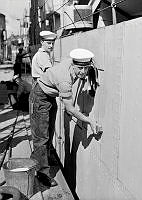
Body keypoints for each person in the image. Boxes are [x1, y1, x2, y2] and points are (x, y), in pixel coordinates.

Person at [29, 48, 103, 187]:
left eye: (85, 68)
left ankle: (40, 158)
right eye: (80, 68)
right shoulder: (65, 81)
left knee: (49, 132)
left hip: (49, 95)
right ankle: (42, 175)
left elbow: (92, 64)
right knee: (41, 137)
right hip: (40, 98)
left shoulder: (73, 62)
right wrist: (89, 120)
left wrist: (91, 77)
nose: (83, 72)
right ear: (73, 65)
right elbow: (70, 109)